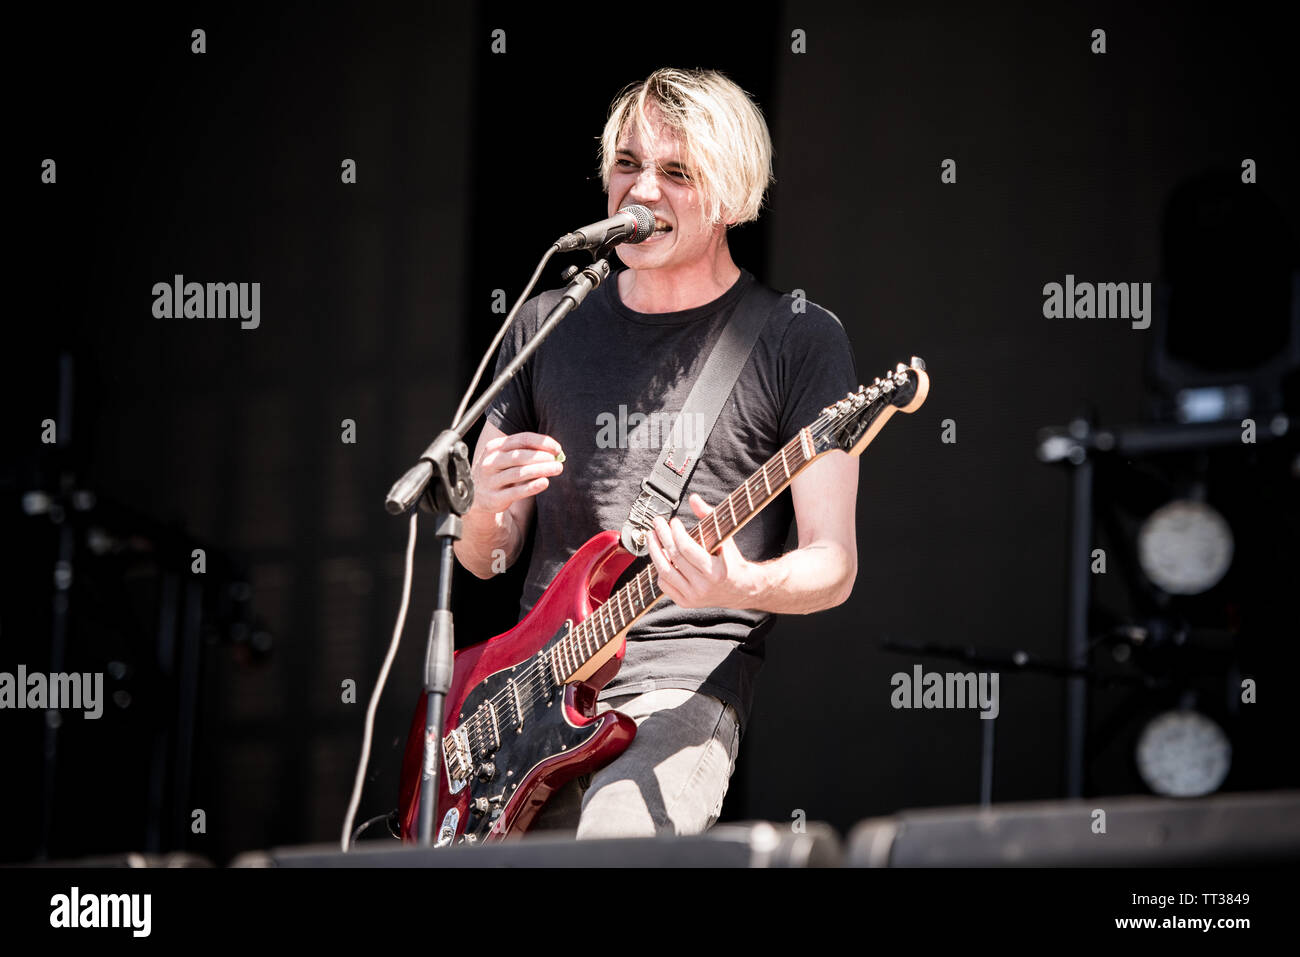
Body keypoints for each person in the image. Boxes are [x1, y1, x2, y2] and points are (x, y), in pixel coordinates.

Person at [453, 67, 859, 838]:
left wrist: (740, 579)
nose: (641, 191)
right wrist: (480, 508)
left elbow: (833, 563)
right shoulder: (545, 322)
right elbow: (486, 559)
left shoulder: (797, 338)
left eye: (677, 172)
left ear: (731, 193)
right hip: (524, 697)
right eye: (629, 164)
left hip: (677, 687)